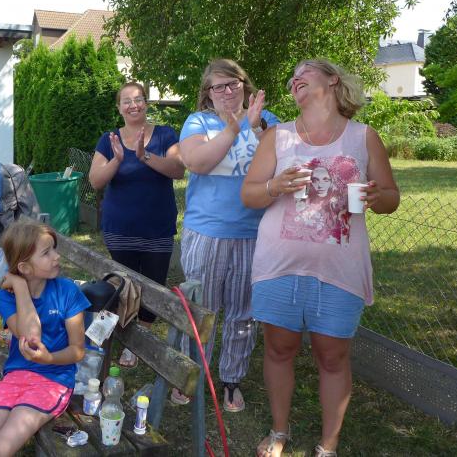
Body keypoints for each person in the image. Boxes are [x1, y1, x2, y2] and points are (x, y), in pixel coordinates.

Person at [241, 59, 400, 457]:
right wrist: (275, 185)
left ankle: (327, 446)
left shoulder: (364, 137)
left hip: (339, 271)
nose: (295, 78)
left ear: (332, 80)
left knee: (333, 357)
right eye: (291, 75)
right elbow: (249, 194)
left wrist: (377, 197)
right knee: (279, 350)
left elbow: (391, 198)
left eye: (305, 71)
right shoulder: (276, 136)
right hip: (278, 266)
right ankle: (279, 433)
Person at [174, 58, 279, 412]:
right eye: (218, 86)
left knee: (242, 312)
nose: (227, 91)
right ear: (208, 93)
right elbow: (197, 162)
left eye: (233, 83)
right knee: (200, 310)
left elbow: (281, 161)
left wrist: (257, 127)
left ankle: (232, 380)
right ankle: (189, 376)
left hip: (253, 232)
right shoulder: (198, 122)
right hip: (207, 232)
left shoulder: (267, 119)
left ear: (244, 86)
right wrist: (235, 129)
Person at [0, 221, 90, 457]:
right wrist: (21, 286)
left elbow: (77, 350)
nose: (56, 256)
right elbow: (30, 334)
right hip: (16, 377)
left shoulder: (67, 291)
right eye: (46, 252)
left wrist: (48, 358)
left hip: (53, 380)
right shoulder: (4, 297)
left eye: (54, 249)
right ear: (24, 267)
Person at [88, 81, 184, 367]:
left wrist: (145, 156)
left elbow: (178, 170)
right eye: (127, 101)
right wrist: (118, 160)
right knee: (123, 285)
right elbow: (96, 181)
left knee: (153, 287)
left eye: (138, 99)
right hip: (120, 229)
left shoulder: (165, 134)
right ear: (119, 108)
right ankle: (124, 337)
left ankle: (141, 340)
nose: (133, 105)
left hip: (157, 228)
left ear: (146, 103)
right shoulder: (109, 140)